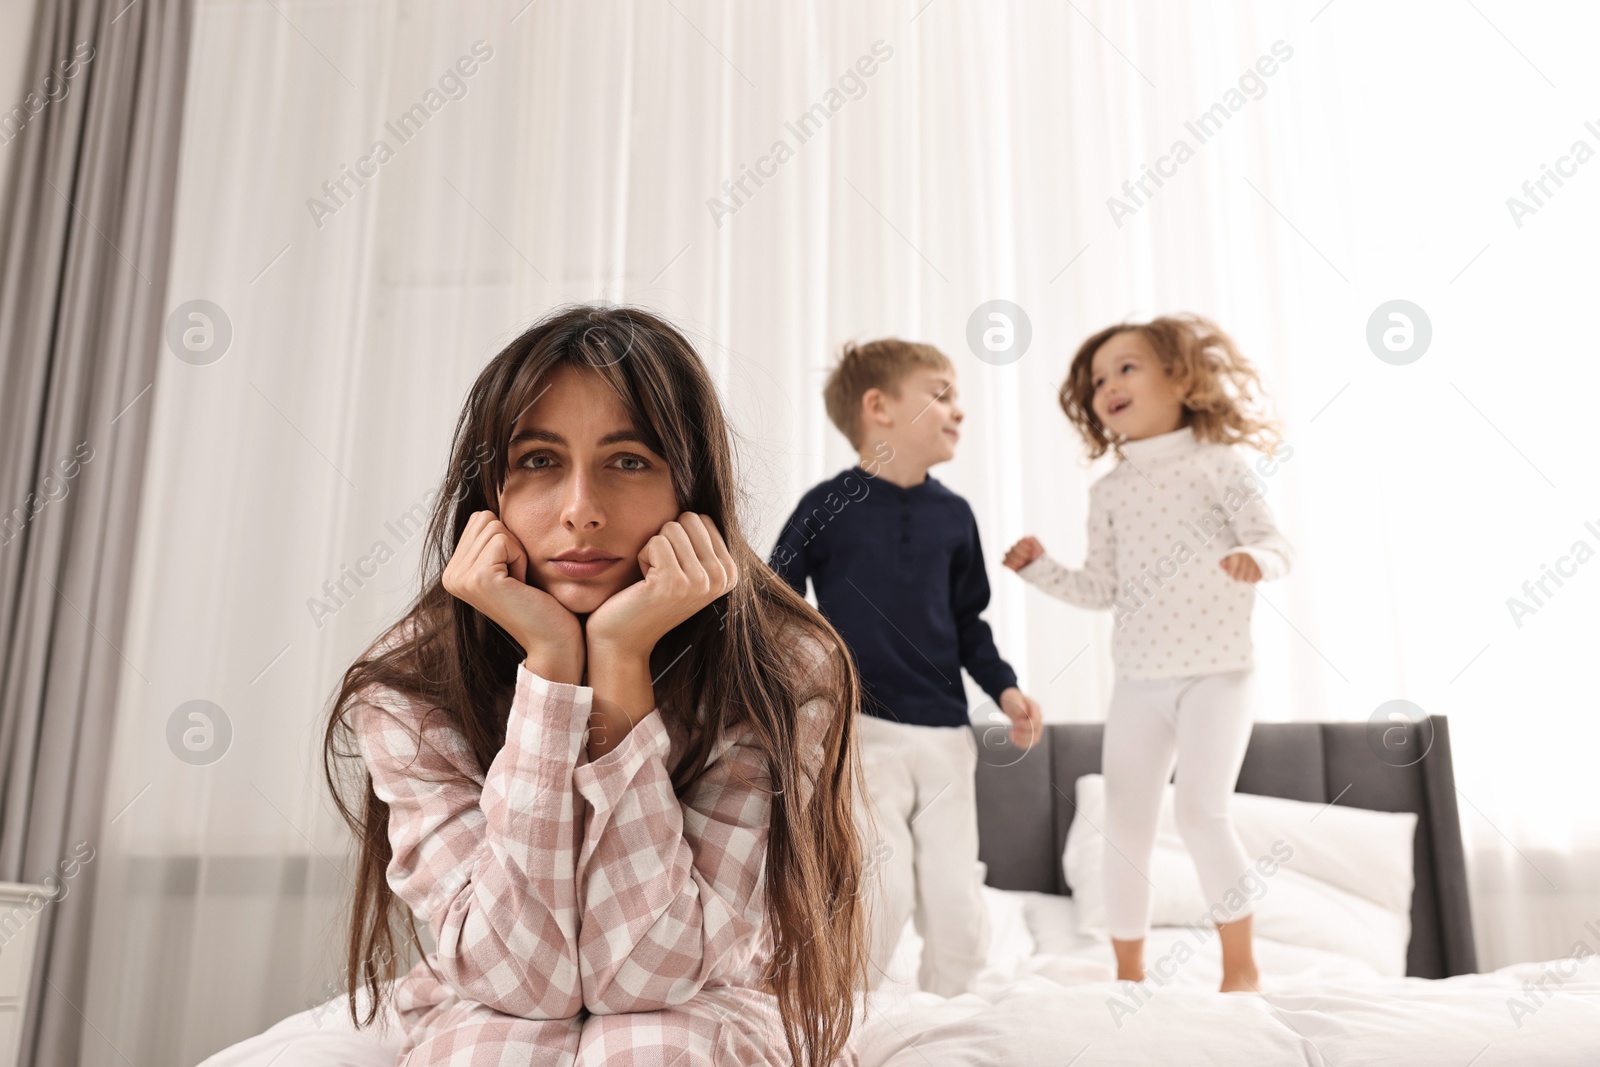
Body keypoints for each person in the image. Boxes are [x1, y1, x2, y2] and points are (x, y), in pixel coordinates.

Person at [322, 305, 868, 1066]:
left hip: (709, 990)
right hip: (489, 995)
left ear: (693, 491)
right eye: (540, 461)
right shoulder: (410, 685)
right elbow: (520, 978)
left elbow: (653, 969)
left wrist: (618, 659)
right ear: (490, 494)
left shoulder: (782, 672)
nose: (581, 510)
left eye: (630, 460)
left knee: (652, 1048)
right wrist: (550, 664)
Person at [1002, 313, 1293, 993]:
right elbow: (1101, 587)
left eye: (1126, 368)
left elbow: (1278, 544)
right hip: (1138, 682)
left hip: (1217, 673)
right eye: (1099, 378)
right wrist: (1040, 568)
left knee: (1200, 811)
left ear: (1180, 377)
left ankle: (1240, 968)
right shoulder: (1110, 491)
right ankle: (1129, 974)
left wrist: (1255, 559)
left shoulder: (1220, 465)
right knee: (1124, 825)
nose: (1108, 385)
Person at [769, 338, 1042, 998]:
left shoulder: (955, 516)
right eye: (941, 392)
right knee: (878, 887)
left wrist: (1005, 690)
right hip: (862, 734)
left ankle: (955, 1018)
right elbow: (774, 599)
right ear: (878, 407)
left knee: (954, 897)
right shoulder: (825, 506)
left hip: (947, 736)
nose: (960, 410)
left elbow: (969, 623)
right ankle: (847, 1013)